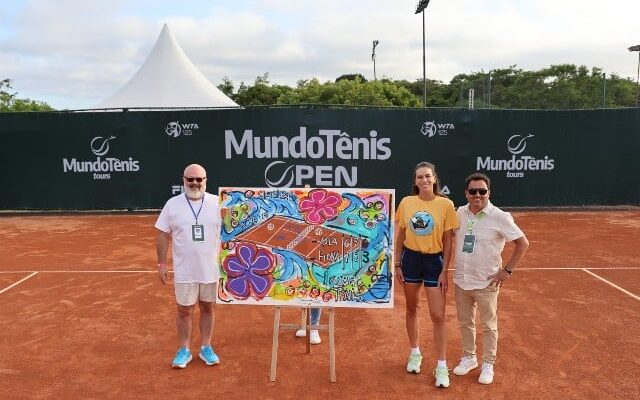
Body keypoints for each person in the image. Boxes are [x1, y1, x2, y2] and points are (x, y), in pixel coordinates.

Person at [451, 172, 529, 385]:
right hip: (461, 280)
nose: (478, 195)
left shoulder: (500, 217)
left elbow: (523, 243)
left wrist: (507, 270)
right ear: (466, 193)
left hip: (487, 282)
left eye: (482, 191)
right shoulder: (459, 213)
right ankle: (469, 358)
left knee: (488, 325)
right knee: (465, 323)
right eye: (473, 191)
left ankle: (488, 363)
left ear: (488, 193)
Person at [394, 161, 459, 388]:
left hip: (434, 261)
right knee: (412, 308)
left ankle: (442, 366)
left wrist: (444, 270)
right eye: (420, 177)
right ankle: (415, 353)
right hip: (410, 260)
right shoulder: (406, 202)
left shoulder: (446, 204)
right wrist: (397, 264)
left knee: (438, 315)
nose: (424, 180)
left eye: (428, 176)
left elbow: (449, 240)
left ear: (434, 178)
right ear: (415, 181)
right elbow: (401, 234)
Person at [156, 163, 222, 369]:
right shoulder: (172, 204)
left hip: (211, 269)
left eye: (199, 179)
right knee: (184, 310)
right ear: (183, 180)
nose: (195, 183)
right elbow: (163, 235)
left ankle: (205, 347)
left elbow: (233, 231)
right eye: (190, 179)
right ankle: (184, 349)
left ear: (205, 180)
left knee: (208, 308)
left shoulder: (218, 203)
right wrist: (161, 264)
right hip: (185, 271)